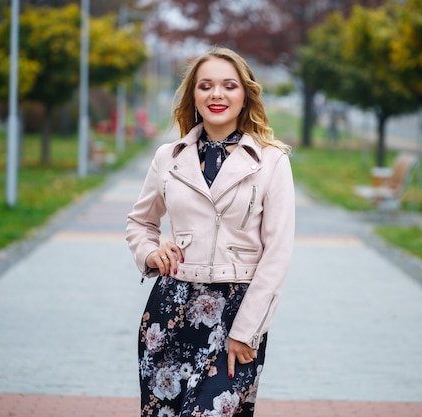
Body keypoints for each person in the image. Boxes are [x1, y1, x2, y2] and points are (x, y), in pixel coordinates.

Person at [125, 46, 295, 417]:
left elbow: (277, 254)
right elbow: (141, 222)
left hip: (237, 316)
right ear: (193, 96)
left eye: (229, 85)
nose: (217, 94)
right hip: (171, 310)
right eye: (206, 86)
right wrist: (150, 254)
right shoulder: (168, 158)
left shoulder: (271, 161)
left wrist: (247, 331)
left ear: (245, 94)